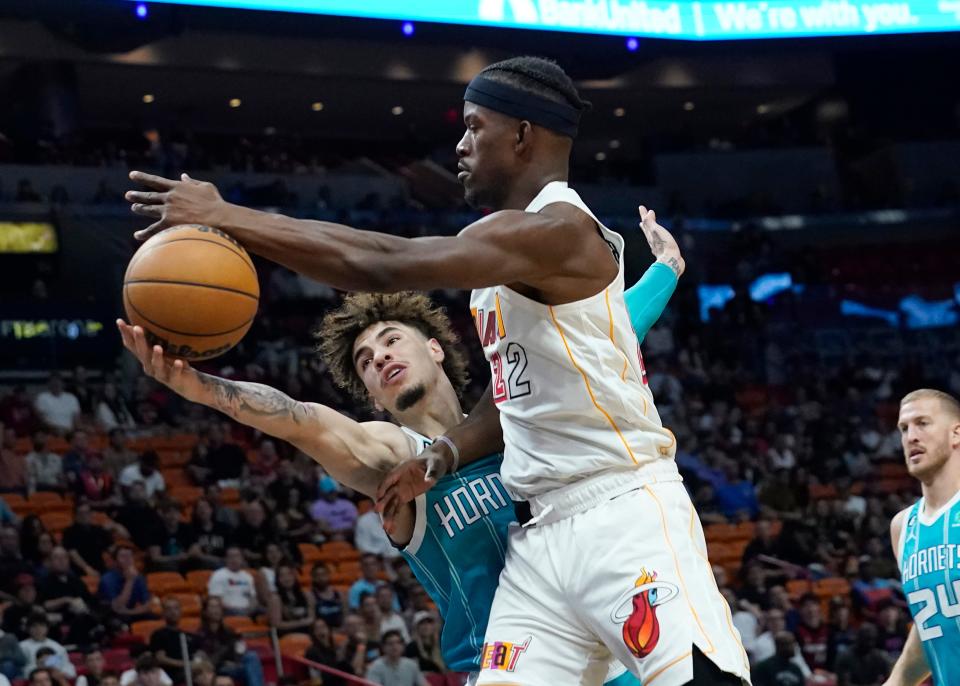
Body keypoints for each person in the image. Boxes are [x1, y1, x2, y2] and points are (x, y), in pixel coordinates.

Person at [128, 55, 737, 685]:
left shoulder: (557, 230)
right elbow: (527, 393)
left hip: (619, 506)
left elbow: (385, 263)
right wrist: (443, 456)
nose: (460, 143)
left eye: (476, 127)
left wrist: (228, 216)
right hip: (541, 537)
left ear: (524, 134)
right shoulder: (517, 256)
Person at [115, 254, 678, 683]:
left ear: (435, 349)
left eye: (391, 342)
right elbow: (302, 421)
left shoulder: (514, 416)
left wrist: (667, 270)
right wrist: (199, 387)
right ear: (374, 399)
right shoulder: (394, 453)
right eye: (365, 361)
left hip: (606, 657)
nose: (379, 357)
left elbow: (594, 345)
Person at [884, 389, 960, 686]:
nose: (910, 437)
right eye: (904, 428)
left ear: (956, 434)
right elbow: (932, 620)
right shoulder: (903, 528)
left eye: (922, 423)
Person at [62, 501, 127, 576]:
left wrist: (122, 560)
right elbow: (72, 553)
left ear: (91, 514)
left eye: (87, 513)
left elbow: (111, 548)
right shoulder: (69, 532)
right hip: (79, 570)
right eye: (81, 513)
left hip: (100, 568)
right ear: (75, 515)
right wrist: (87, 568)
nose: (84, 516)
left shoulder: (98, 530)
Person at [97, 545, 154, 623]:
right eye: (123, 556)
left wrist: (131, 612)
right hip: (111, 615)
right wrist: (129, 581)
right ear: (115, 561)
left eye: (130, 556)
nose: (128, 559)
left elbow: (147, 604)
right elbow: (117, 607)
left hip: (130, 612)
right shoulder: (107, 580)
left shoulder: (139, 577)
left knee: (153, 617)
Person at [149, 597, 196, 684]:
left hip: (191, 671)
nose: (173, 612)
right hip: (170, 673)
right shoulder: (158, 634)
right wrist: (186, 665)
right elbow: (160, 658)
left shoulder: (189, 636)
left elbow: (197, 655)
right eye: (168, 609)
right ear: (163, 613)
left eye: (176, 608)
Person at [18, 614, 76, 679]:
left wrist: (61, 673)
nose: (38, 629)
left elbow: (67, 667)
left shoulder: (57, 647)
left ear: (47, 628)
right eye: (34, 626)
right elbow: (22, 670)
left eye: (42, 626)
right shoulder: (21, 647)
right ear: (28, 629)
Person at [207, 548, 258, 617]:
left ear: (242, 559)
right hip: (228, 611)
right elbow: (216, 600)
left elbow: (253, 599)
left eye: (237, 556)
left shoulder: (248, 577)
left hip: (248, 610)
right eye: (231, 557)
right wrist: (238, 610)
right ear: (226, 559)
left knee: (266, 612)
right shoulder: (218, 575)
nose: (234, 559)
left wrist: (250, 610)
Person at [269, 563, 315, 635]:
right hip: (287, 634)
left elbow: (311, 619)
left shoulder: (307, 595)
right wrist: (300, 623)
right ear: (278, 579)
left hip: (307, 632)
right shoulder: (275, 598)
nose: (286, 578)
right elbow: (276, 624)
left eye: (289, 574)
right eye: (282, 576)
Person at [24, 431, 64, 495]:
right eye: (39, 437)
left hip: (56, 489)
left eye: (43, 437)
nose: (42, 440)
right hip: (39, 489)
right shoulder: (28, 459)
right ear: (33, 440)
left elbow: (61, 477)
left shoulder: (56, 458)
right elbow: (30, 480)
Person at [310, 563, 345, 629]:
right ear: (313, 578)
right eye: (317, 575)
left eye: (323, 574)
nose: (321, 578)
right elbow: (312, 621)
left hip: (340, 632)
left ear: (328, 575)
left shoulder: (340, 595)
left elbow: (346, 617)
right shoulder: (310, 597)